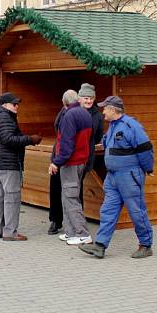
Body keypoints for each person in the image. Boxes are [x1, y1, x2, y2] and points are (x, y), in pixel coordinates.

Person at [79, 96, 155, 260]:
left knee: (136, 211)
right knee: (108, 210)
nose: (103, 111)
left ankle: (146, 245)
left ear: (113, 109)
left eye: (105, 108)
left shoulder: (131, 126)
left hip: (129, 176)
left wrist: (148, 168)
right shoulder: (113, 126)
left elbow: (145, 148)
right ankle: (100, 245)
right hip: (113, 176)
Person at [0, 92, 42, 242]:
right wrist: (30, 139)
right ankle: (10, 232)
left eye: (17, 103)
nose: (17, 106)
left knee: (2, 197)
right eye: (14, 104)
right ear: (5, 105)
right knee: (12, 197)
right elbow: (8, 139)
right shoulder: (5, 117)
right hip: (9, 163)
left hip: (1, 163)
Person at [48, 89, 93, 246]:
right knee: (68, 196)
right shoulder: (85, 114)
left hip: (71, 163)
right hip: (81, 161)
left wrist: (56, 161)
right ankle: (70, 231)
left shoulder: (68, 116)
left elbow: (66, 143)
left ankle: (82, 233)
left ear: (63, 102)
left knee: (70, 197)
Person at [78, 83, 104, 207]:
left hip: (87, 155)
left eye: (91, 98)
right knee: (72, 188)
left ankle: (78, 218)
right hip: (72, 155)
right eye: (86, 98)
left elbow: (99, 134)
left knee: (78, 186)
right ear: (80, 98)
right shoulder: (73, 111)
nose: (89, 101)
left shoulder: (97, 115)